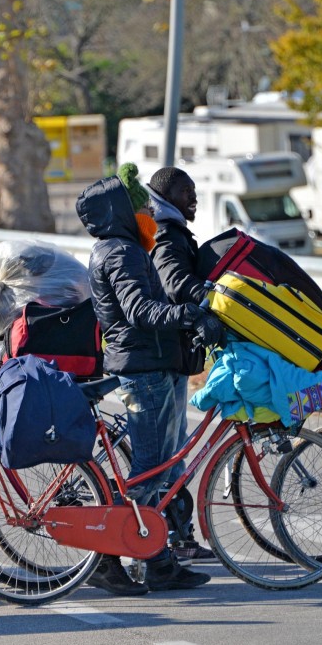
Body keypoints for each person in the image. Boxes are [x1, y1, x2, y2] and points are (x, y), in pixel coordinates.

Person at [79, 172, 224, 595]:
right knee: (150, 470)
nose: (147, 212)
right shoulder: (120, 252)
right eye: (138, 206)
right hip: (144, 369)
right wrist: (187, 314)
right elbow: (140, 311)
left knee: (163, 469)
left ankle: (157, 560)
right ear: (119, 211)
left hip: (154, 363)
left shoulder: (124, 248)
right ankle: (107, 558)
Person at [132, 164, 216, 563]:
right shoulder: (166, 234)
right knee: (163, 456)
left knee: (172, 452)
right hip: (161, 353)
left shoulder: (165, 227)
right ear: (167, 196)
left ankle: (175, 536)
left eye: (195, 191)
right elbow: (174, 283)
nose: (193, 198)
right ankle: (147, 540)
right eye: (187, 192)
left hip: (169, 352)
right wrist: (209, 296)